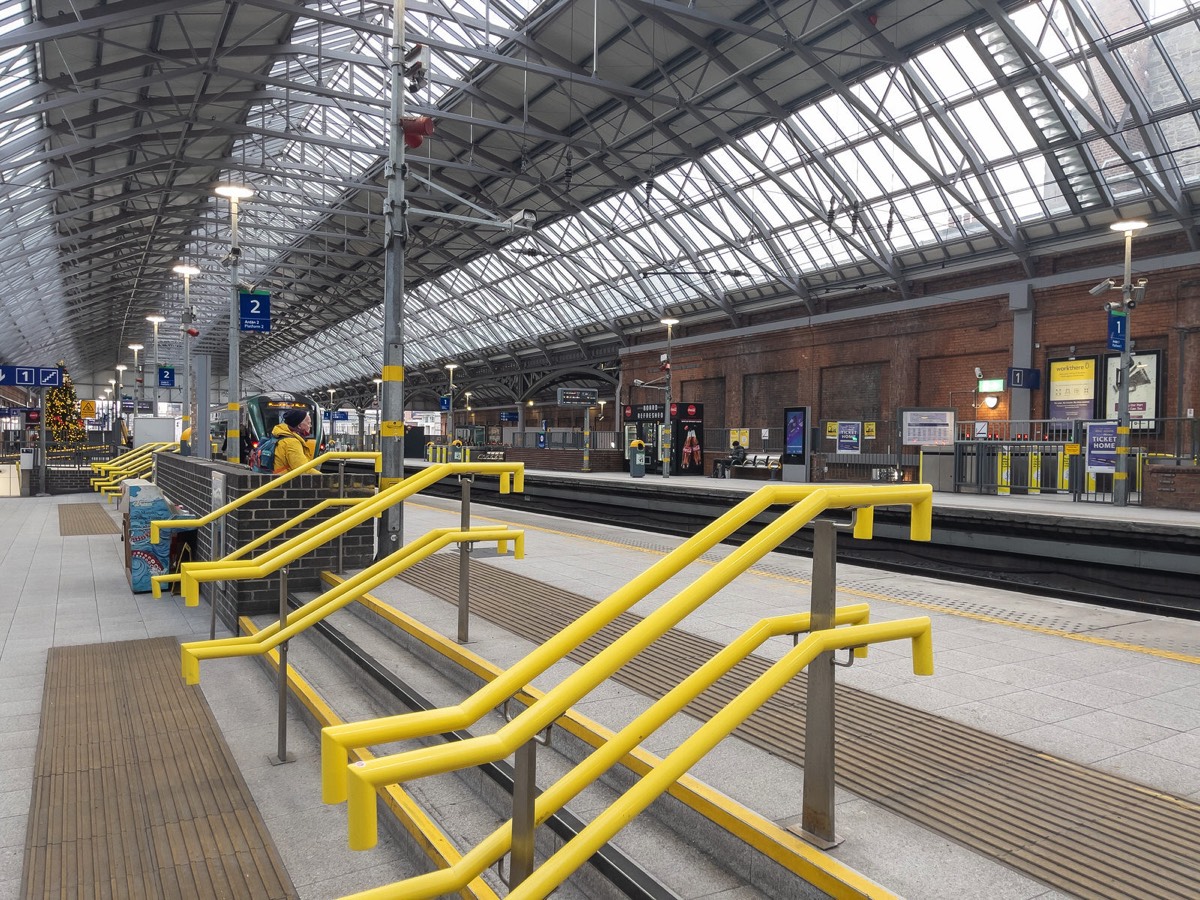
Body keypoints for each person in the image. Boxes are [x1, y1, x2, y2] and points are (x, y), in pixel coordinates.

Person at [271, 409, 314, 473]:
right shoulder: (292, 442)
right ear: (299, 426)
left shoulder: (282, 436)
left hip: (277, 478)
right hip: (285, 480)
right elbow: (303, 469)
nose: (310, 426)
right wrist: (325, 477)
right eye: (308, 423)